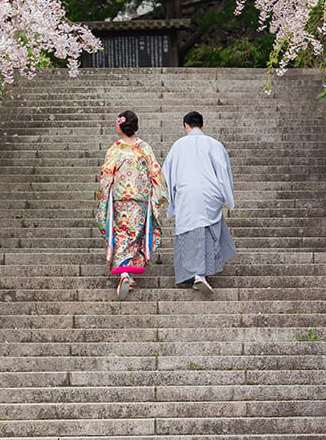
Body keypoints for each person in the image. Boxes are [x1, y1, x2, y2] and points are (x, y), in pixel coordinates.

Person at [162, 111, 237, 294]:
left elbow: (167, 173)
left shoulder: (178, 146)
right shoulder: (214, 144)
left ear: (186, 126)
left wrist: (171, 197)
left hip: (187, 192)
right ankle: (202, 273)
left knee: (191, 232)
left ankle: (196, 273)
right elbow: (223, 170)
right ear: (202, 126)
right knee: (208, 230)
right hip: (210, 193)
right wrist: (226, 196)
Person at [95, 110, 168, 300]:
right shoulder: (144, 148)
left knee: (121, 232)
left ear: (120, 126)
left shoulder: (115, 149)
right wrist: (157, 197)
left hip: (121, 198)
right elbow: (156, 173)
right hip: (141, 199)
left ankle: (124, 273)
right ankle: (129, 272)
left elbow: (106, 175)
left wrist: (104, 194)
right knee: (136, 233)